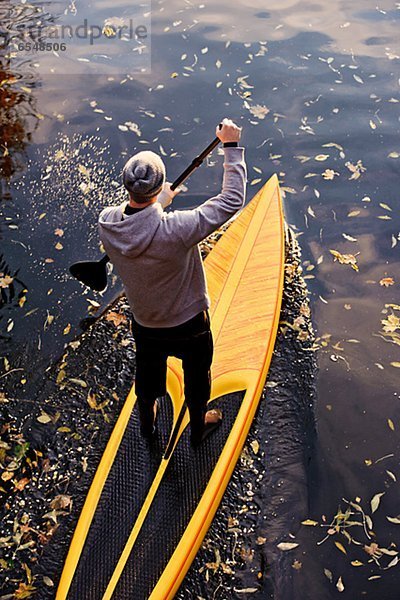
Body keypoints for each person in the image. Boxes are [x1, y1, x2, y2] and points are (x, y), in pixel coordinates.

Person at [98, 118, 246, 446]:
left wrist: (158, 204)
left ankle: (147, 427)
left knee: (148, 378)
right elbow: (231, 201)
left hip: (146, 324)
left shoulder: (108, 224)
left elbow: (136, 218)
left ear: (128, 188)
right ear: (159, 186)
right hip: (188, 325)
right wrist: (231, 147)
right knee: (197, 379)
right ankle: (197, 428)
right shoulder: (178, 229)